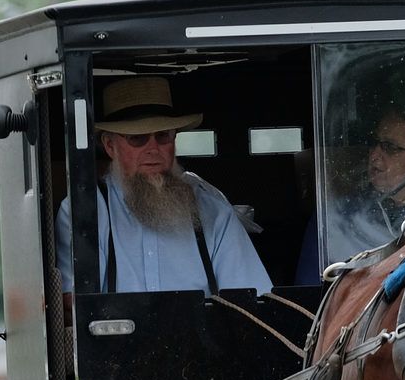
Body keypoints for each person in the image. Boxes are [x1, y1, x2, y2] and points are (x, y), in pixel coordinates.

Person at [54, 76, 272, 295]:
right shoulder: (85, 212)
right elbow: (73, 304)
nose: (153, 149)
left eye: (163, 136)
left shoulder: (213, 211)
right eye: (137, 138)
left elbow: (252, 299)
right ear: (110, 146)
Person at [295, 109, 405, 283]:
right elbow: (309, 292)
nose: (375, 155)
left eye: (390, 147)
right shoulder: (336, 218)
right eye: (374, 144)